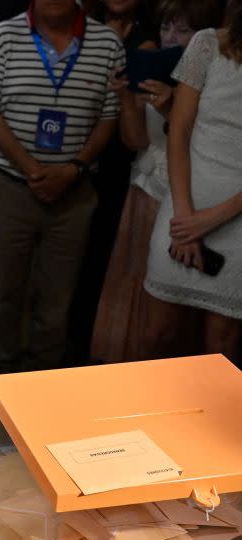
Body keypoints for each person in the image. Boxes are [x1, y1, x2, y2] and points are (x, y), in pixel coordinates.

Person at [0, 0, 124, 374]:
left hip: (75, 191)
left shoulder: (107, 43)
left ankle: (43, 380)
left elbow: (109, 116)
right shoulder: (3, 36)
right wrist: (33, 170)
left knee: (58, 297)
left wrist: (72, 169)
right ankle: (3, 378)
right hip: (10, 185)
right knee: (6, 292)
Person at [92, 0, 223, 363]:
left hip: (186, 199)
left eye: (182, 30)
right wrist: (125, 97)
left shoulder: (214, 81)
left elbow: (210, 149)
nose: (171, 37)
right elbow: (135, 141)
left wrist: (171, 109)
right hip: (143, 191)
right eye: (166, 27)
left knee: (171, 318)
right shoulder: (151, 68)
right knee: (133, 288)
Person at [142, 0, 242, 363]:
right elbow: (179, 132)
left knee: (222, 349)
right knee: (156, 338)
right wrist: (186, 218)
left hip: (236, 223)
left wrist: (210, 219)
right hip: (183, 206)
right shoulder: (207, 44)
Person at [66, 0, 158, 365]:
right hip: (78, 151)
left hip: (123, 161)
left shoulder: (150, 37)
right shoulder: (78, 28)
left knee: (103, 256)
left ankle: (90, 352)